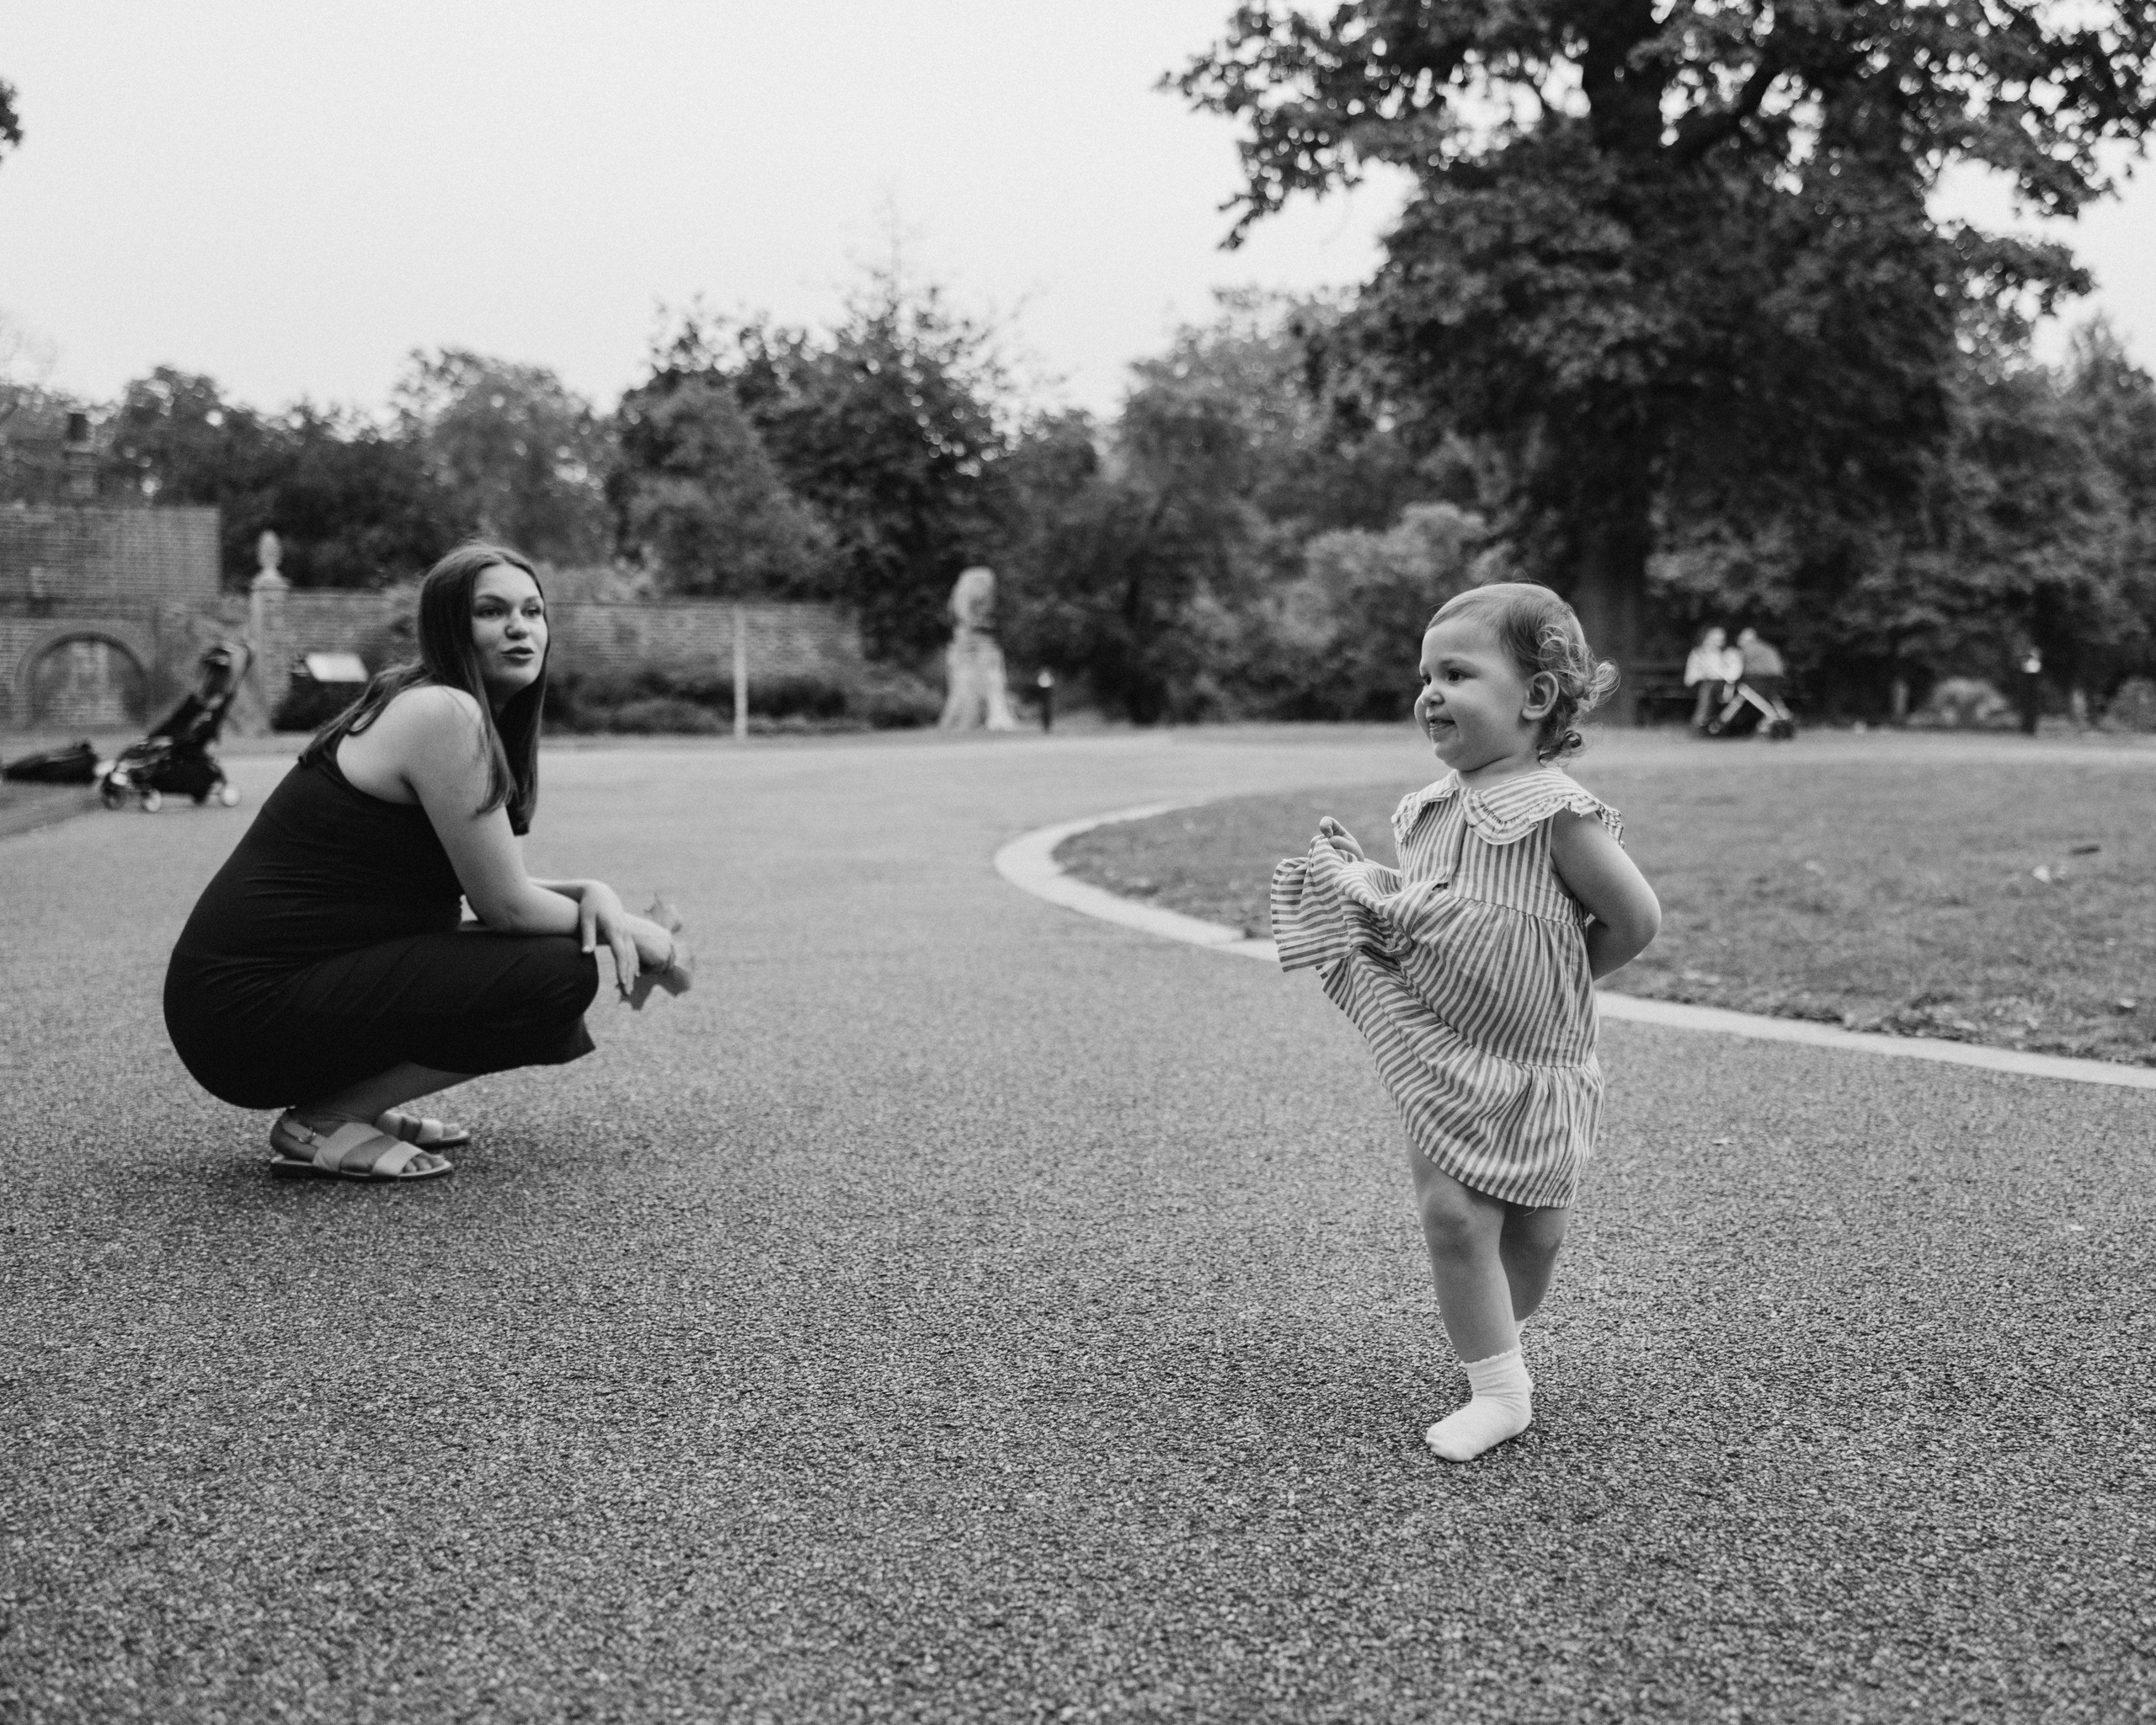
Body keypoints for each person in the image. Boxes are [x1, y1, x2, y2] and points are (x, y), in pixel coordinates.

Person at [1269, 582, 1662, 1461]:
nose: (1429, 692)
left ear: (1533, 697)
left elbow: (1635, 922)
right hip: (1441, 1049)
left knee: (1535, 1236)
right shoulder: (1425, 812)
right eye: (1424, 674)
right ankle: (1500, 1389)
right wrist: (1364, 881)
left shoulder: (1557, 818)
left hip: (1541, 1060)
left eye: (1456, 672)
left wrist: (1558, 982)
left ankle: (1495, 1331)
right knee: (1454, 1217)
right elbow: (1434, 914)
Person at [163, 542, 691, 1183]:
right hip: (244, 1013)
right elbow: (507, 907)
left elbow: (491, 883)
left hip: (271, 997)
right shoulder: (444, 712)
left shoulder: (460, 714)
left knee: (542, 950)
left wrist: (595, 894)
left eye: (533, 611)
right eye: (491, 612)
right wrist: (631, 932)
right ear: (448, 626)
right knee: (556, 970)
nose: (520, 627)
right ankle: (327, 1117)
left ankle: (354, 1105)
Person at [1684, 625, 1737, 729]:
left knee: (1710, 685)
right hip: (1699, 686)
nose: (1718, 642)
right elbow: (1690, 676)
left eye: (1721, 639)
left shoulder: (1729, 653)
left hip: (1724, 687)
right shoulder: (1698, 654)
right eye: (1715, 639)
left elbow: (1732, 675)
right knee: (1708, 685)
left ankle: (1700, 722)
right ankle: (1700, 721)